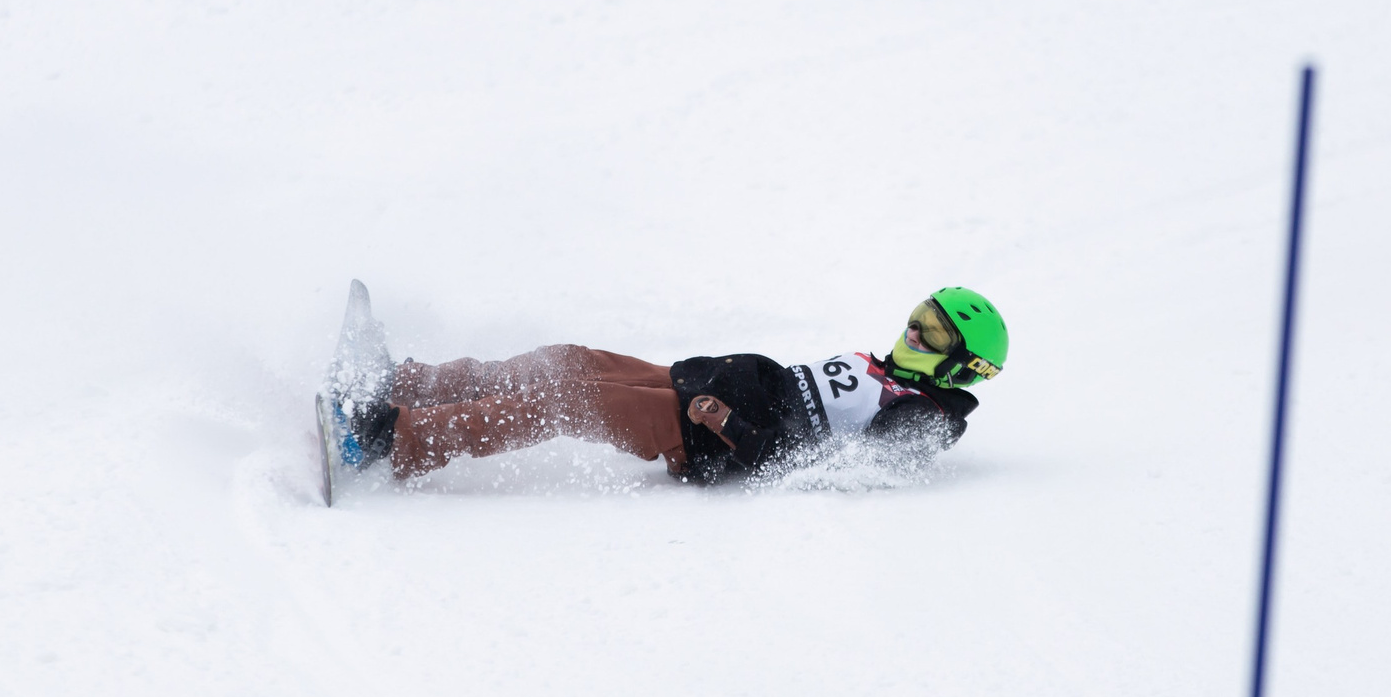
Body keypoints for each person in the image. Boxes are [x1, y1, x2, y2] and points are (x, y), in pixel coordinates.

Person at [324, 289, 1008, 486]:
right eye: (918, 318)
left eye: (933, 335)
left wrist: (726, 425)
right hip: (699, 384)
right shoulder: (894, 374)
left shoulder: (923, 418)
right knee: (568, 361)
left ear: (962, 367)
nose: (912, 333)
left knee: (567, 401)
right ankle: (406, 383)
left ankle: (389, 438)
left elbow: (809, 465)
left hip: (704, 430)